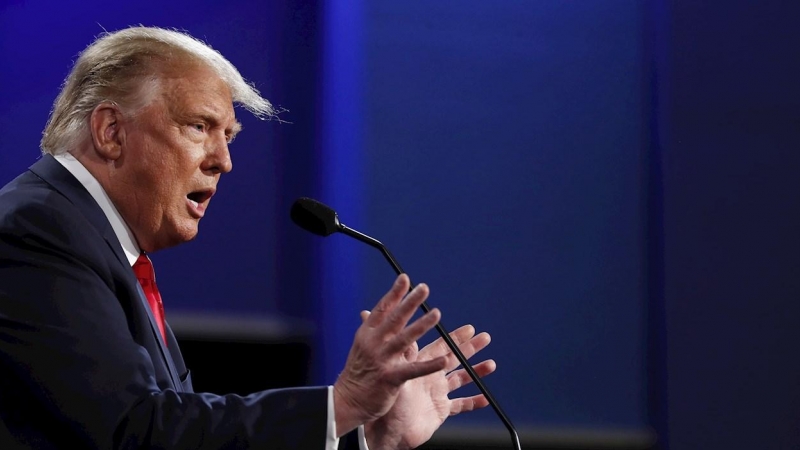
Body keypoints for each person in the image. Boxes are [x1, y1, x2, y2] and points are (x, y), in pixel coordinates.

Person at [0, 26, 496, 449]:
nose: (224, 160)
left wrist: (366, 435)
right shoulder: (39, 230)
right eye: (200, 126)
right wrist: (339, 405)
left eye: (229, 136)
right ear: (111, 131)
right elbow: (135, 431)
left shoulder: (90, 239)